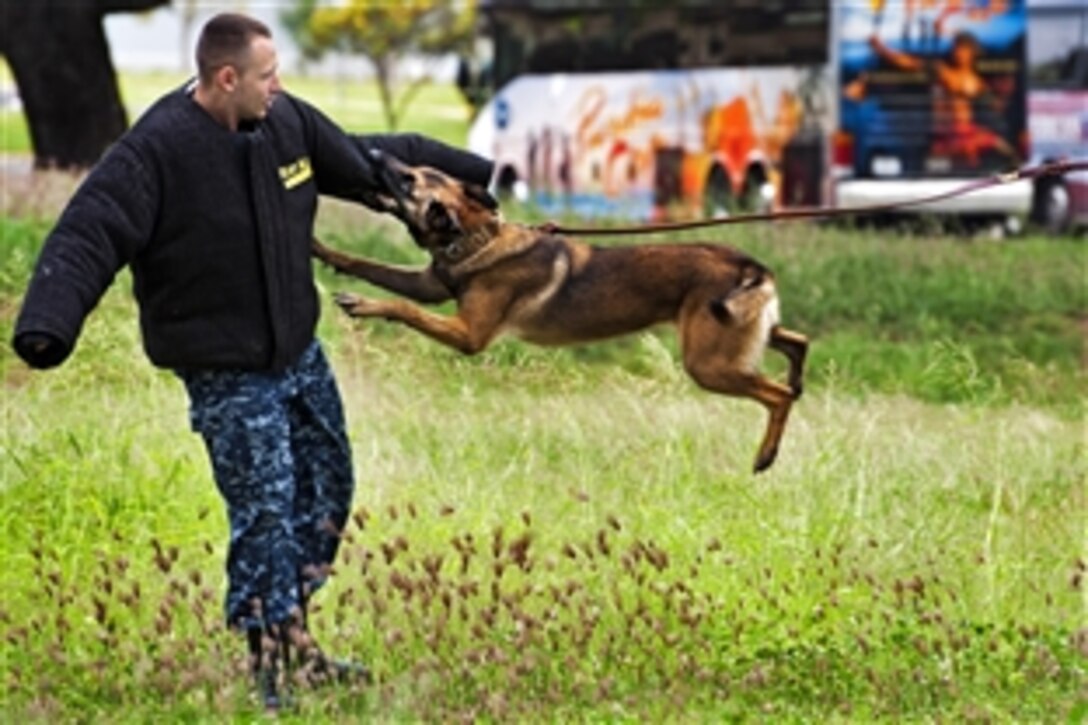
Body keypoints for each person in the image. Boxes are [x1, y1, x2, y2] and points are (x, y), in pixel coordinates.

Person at [11, 12, 493, 711]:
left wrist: (479, 181)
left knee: (327, 488)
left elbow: (367, 160)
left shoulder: (286, 123)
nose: (280, 86)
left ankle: (295, 637)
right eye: (268, 75)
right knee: (264, 509)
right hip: (225, 366)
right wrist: (47, 325)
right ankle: (270, 663)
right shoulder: (155, 153)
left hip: (298, 349)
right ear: (226, 77)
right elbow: (90, 230)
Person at [869, 26, 1018, 167]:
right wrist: (882, 50)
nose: (958, 52)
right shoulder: (942, 71)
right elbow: (910, 63)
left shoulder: (976, 82)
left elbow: (996, 104)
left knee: (1003, 149)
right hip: (945, 134)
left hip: (967, 133)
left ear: (972, 51)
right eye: (956, 47)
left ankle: (1016, 172)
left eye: (963, 48)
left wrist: (1000, 101)